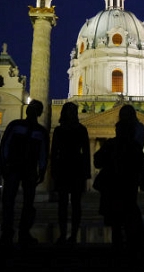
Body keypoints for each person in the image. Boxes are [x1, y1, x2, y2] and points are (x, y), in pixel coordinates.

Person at [93, 117, 144, 260]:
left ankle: (117, 252)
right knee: (129, 220)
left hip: (113, 190)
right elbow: (142, 167)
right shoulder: (135, 148)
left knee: (116, 224)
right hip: (129, 190)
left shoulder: (111, 144)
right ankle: (131, 252)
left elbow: (97, 161)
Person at [0, 99, 49, 246]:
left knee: (28, 202)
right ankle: (7, 232)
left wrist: (42, 169)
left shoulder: (40, 131)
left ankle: (24, 231)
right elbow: (4, 145)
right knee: (8, 201)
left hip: (29, 170)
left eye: (36, 109)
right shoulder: (15, 125)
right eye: (31, 108)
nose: (32, 111)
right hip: (14, 167)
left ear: (39, 113)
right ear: (27, 110)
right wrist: (3, 165)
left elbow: (43, 153)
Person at [50, 102, 91, 244]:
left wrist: (86, 174)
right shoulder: (60, 130)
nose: (72, 113)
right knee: (63, 203)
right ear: (64, 113)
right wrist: (53, 171)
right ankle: (63, 233)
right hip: (65, 167)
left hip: (75, 168)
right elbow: (53, 152)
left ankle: (73, 233)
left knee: (75, 203)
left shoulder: (79, 129)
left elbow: (87, 153)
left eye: (74, 110)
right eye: (70, 111)